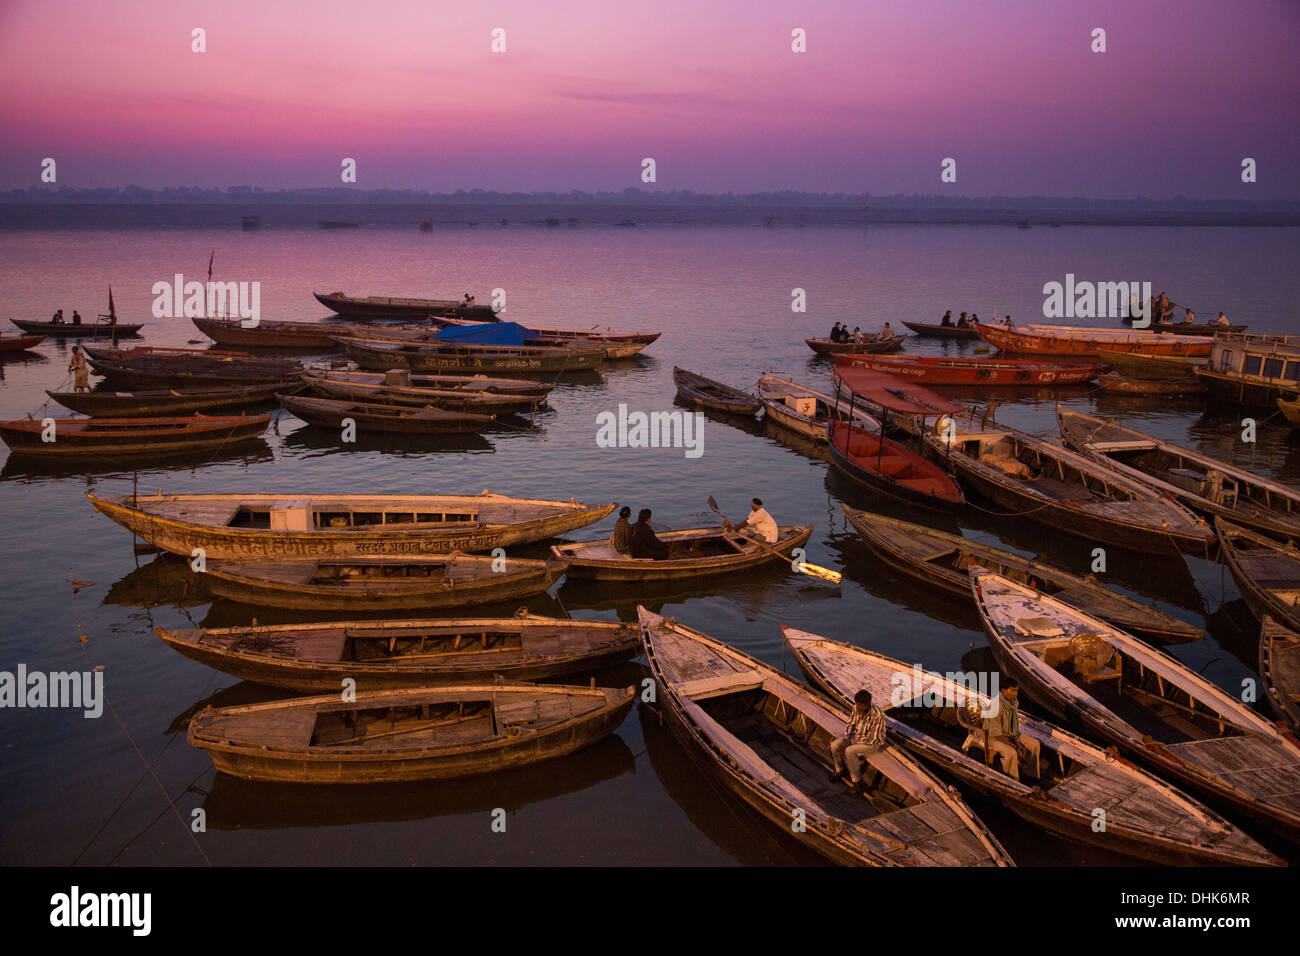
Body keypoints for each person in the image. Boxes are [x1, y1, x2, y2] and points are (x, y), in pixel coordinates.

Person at [828, 689, 886, 795]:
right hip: (856, 737)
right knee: (834, 745)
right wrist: (846, 739)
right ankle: (840, 770)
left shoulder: (878, 715)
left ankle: (858, 782)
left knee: (849, 751)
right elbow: (851, 724)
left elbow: (872, 738)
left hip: (872, 744)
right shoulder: (856, 707)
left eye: (860, 705)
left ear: (867, 704)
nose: (857, 708)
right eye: (857, 705)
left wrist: (851, 742)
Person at [983, 679, 1040, 781]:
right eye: (1013, 691)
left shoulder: (1013, 703)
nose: (1016, 693)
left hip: (1011, 734)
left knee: (1034, 744)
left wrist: (1016, 741)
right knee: (1011, 752)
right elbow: (997, 735)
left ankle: (1029, 774)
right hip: (993, 737)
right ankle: (1012, 779)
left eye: (1017, 690)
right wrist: (1015, 746)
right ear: (1004, 691)